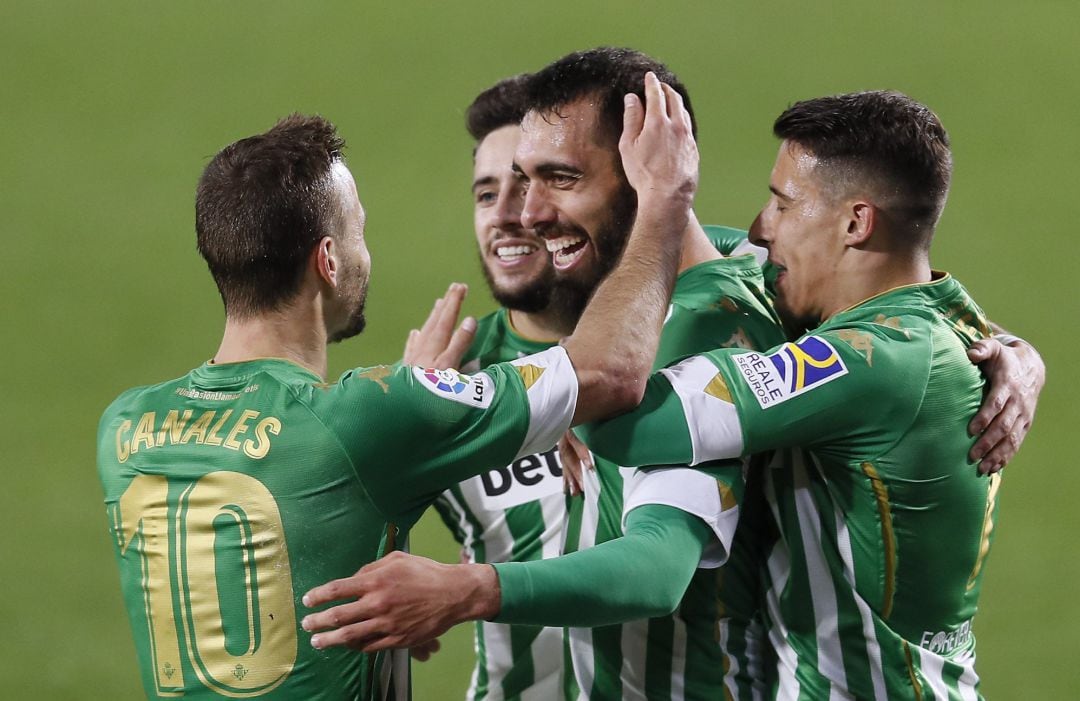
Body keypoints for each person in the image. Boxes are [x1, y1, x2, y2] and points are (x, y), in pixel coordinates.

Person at [300, 85, 1045, 700]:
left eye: (556, 180)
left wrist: (559, 394)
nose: (523, 214)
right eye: (494, 188)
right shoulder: (817, 299)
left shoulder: (762, 329)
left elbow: (642, 479)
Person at [97, 76, 700, 701]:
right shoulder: (366, 416)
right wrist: (663, 197)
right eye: (359, 229)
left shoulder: (123, 428)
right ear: (328, 261)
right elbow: (611, 371)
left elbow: (274, 536)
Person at [428, 74, 574, 700]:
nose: (508, 217)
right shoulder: (450, 379)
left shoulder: (687, 338)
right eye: (487, 194)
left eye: (530, 186)